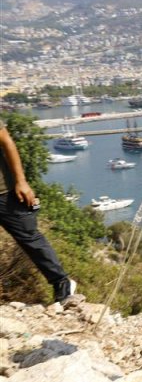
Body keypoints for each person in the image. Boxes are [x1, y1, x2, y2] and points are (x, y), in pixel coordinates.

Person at [0, 120, 76, 304]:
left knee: (30, 238)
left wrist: (21, 181)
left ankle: (62, 283)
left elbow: (6, 141)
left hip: (4, 192)